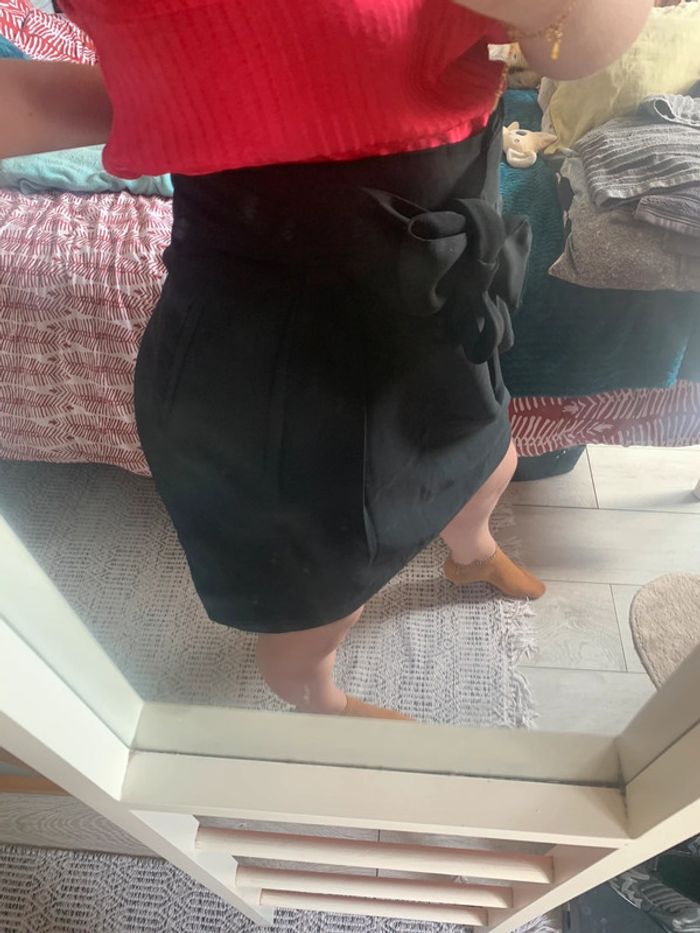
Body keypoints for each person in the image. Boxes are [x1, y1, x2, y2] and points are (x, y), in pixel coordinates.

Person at [1, 0, 652, 720]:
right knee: (322, 591)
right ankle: (317, 699)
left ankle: (469, 553)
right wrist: (176, 98)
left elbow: (582, 43)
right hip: (277, 343)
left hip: (440, 291)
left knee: (490, 454)